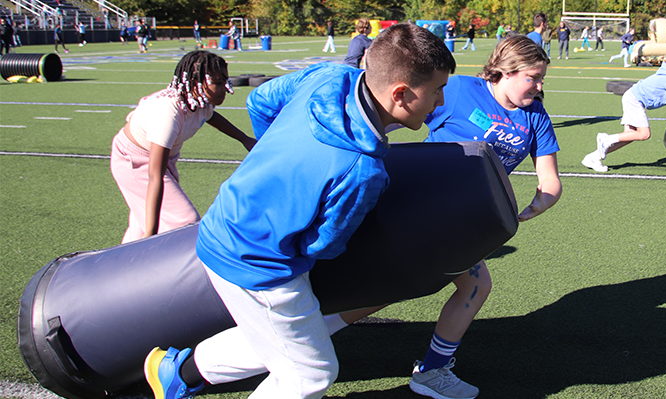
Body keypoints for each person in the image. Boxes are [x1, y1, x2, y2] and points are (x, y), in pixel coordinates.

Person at [141, 24, 456, 399]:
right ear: (400, 94)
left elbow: (260, 101)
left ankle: (175, 371)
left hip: (221, 224)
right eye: (436, 91)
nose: (439, 103)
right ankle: (177, 371)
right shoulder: (362, 169)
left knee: (286, 339)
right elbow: (323, 247)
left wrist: (272, 160)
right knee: (312, 372)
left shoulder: (330, 75)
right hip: (261, 264)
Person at [331, 34, 561, 399]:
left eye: (541, 77)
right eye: (533, 76)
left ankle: (428, 369)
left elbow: (550, 178)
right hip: (421, 203)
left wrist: (541, 202)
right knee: (396, 280)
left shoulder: (535, 117)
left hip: (466, 222)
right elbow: (393, 116)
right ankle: (309, 335)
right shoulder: (456, 91)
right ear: (505, 71)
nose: (539, 85)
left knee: (429, 283)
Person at [111, 51, 255, 244]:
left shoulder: (199, 101)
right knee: (184, 221)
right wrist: (151, 235)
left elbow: (211, 117)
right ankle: (148, 255)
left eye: (226, 82)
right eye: (218, 82)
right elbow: (155, 176)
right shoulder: (168, 112)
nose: (225, 89)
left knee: (142, 222)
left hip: (160, 160)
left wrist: (244, 139)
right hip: (135, 162)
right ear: (196, 82)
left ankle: (124, 264)